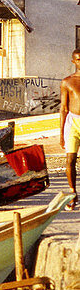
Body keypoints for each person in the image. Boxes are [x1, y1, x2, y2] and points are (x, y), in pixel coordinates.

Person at [60, 48, 80, 207]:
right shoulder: (67, 81)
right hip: (73, 122)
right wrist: (61, 134)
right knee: (70, 160)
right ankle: (73, 193)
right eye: (78, 59)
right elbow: (63, 109)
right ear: (73, 61)